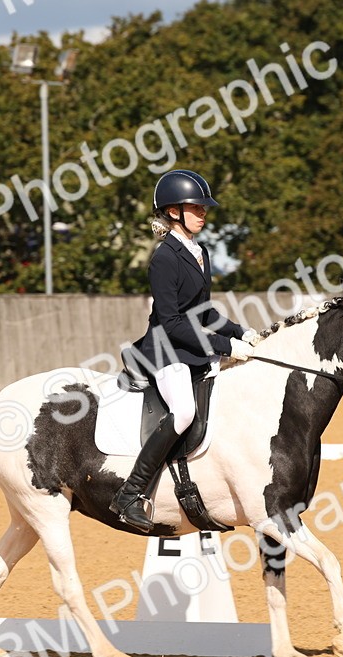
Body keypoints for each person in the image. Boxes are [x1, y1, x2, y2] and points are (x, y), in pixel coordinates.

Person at [109, 169, 262, 533]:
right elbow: (174, 321)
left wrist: (244, 332)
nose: (204, 213)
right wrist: (227, 346)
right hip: (165, 351)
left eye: (204, 207)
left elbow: (203, 312)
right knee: (182, 413)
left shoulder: (199, 252)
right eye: (196, 207)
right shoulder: (164, 258)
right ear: (174, 211)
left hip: (189, 348)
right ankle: (130, 494)